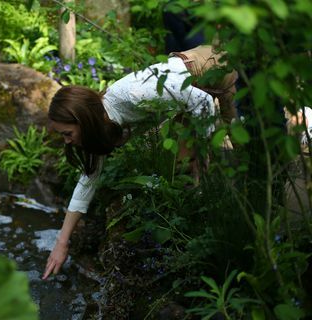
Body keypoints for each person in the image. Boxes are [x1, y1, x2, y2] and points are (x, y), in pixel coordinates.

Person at [42, 45, 238, 280]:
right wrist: (61, 243)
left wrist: (205, 157)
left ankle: (236, 227)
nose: (67, 142)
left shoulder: (133, 95)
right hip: (188, 96)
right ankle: (207, 224)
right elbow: (87, 182)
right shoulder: (103, 125)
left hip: (210, 69)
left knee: (229, 155)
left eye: (67, 133)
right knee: (187, 171)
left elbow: (204, 102)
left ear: (82, 121)